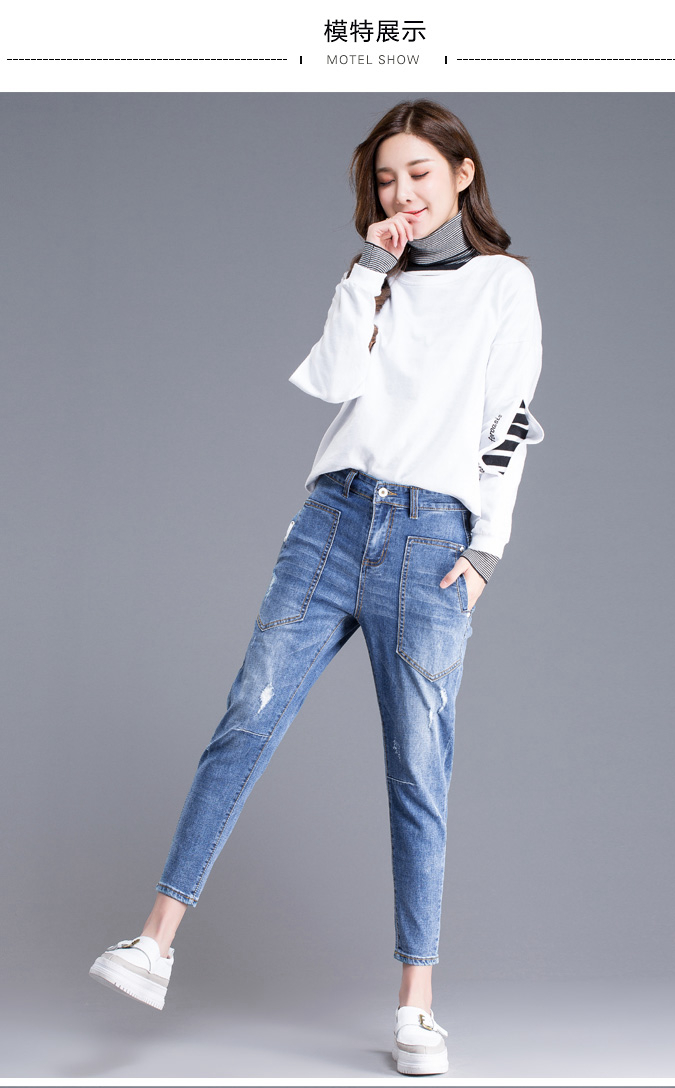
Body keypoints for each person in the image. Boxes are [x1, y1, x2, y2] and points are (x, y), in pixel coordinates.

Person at [89, 97, 544, 1077]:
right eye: (385, 179)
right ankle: (155, 944)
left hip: (431, 535)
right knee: (246, 718)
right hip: (332, 520)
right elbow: (338, 381)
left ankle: (417, 1007)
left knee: (419, 768)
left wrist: (487, 553)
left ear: (462, 174)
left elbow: (510, 421)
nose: (403, 193)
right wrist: (368, 270)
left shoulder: (505, 285)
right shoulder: (371, 278)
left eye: (420, 173)